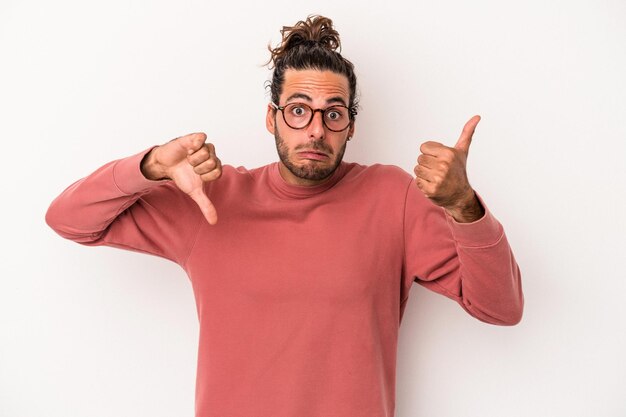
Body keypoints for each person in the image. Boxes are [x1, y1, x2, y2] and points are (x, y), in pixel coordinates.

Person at [46, 14, 523, 417]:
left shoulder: (390, 196)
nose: (315, 130)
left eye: (332, 114)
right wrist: (148, 166)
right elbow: (68, 218)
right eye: (298, 110)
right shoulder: (212, 197)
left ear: (350, 125)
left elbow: (501, 308)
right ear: (271, 118)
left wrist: (464, 206)